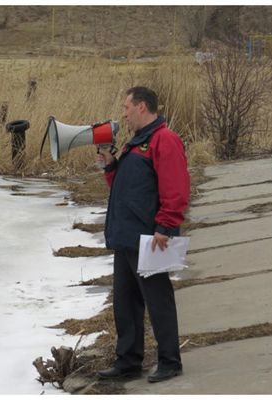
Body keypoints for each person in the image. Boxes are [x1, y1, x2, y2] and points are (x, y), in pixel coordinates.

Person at [96, 87, 190, 383]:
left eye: (127, 107)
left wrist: (165, 226)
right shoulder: (135, 144)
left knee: (158, 300)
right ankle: (128, 362)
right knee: (125, 303)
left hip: (150, 238)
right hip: (125, 237)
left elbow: (176, 189)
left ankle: (170, 360)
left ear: (142, 107)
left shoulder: (164, 140)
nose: (123, 113)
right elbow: (124, 189)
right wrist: (110, 166)